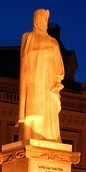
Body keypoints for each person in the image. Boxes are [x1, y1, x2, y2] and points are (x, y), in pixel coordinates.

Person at [18, 9, 64, 142]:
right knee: (33, 111)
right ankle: (31, 135)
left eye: (47, 20)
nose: (46, 23)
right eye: (44, 19)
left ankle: (50, 136)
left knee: (48, 110)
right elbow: (26, 58)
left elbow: (59, 64)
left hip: (48, 83)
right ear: (37, 19)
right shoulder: (28, 37)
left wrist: (57, 81)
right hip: (34, 81)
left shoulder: (53, 42)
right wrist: (44, 51)